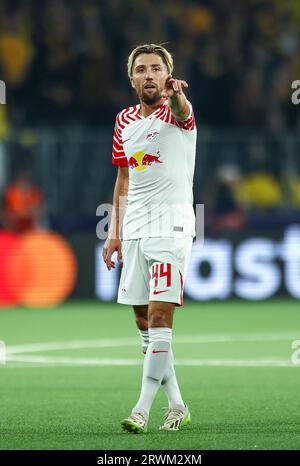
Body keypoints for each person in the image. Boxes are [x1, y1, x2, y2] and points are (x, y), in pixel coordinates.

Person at [102, 44, 197, 433]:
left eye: (156, 68)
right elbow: (123, 179)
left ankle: (140, 409)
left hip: (172, 227)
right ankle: (177, 405)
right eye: (141, 69)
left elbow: (183, 110)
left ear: (166, 74)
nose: (149, 75)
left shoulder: (178, 114)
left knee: (160, 315)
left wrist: (178, 95)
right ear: (132, 79)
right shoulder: (123, 120)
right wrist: (114, 231)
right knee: (144, 320)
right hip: (136, 228)